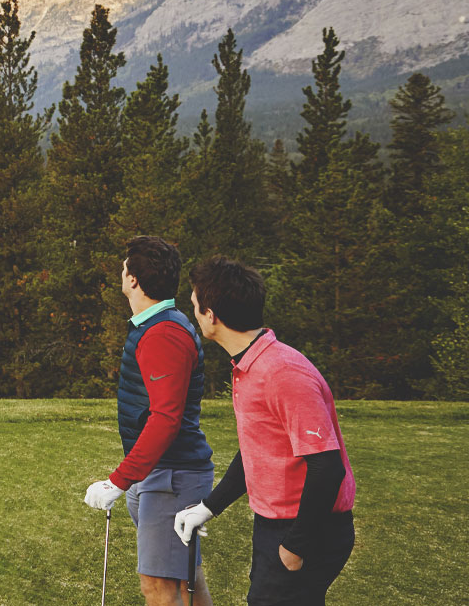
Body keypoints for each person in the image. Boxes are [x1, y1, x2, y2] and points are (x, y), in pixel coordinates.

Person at [172, 256, 357, 605]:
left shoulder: (281, 373)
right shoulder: (250, 364)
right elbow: (259, 451)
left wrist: (295, 545)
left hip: (306, 527)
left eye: (195, 306)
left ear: (211, 315)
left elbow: (327, 465)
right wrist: (208, 507)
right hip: (277, 524)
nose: (194, 314)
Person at [81, 236, 215, 605]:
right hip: (161, 475)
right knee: (186, 581)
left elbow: (166, 419)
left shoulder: (164, 333)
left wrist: (117, 481)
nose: (122, 272)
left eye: (125, 266)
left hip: (172, 476)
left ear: (135, 279)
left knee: (160, 588)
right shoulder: (157, 325)